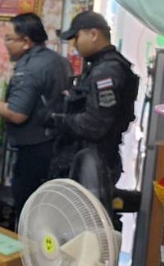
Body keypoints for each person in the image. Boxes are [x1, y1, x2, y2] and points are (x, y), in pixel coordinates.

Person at [0, 13, 72, 214]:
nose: (5, 44)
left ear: (25, 41)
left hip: (34, 149)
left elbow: (17, 114)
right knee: (47, 208)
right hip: (58, 145)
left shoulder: (30, 69)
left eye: (9, 39)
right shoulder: (59, 61)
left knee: (28, 208)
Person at [50, 10, 140, 190]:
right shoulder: (99, 66)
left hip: (92, 163)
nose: (74, 44)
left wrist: (57, 120)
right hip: (87, 160)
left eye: (76, 37)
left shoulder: (106, 71)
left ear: (93, 34)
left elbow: (95, 125)